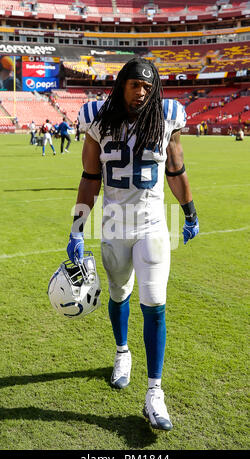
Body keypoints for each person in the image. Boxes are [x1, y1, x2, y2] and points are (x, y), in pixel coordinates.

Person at [66, 58, 199, 431]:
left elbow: (176, 169)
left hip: (153, 224)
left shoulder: (169, 114)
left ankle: (154, 391)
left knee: (155, 302)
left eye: (147, 86)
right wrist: (77, 228)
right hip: (113, 226)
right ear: (122, 84)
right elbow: (91, 178)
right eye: (134, 85)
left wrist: (189, 211)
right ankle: (122, 353)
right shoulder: (96, 116)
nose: (141, 92)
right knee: (119, 293)